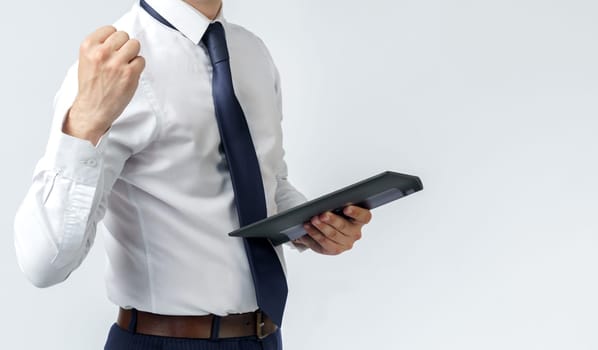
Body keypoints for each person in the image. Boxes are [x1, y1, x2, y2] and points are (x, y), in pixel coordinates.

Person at [13, 0, 372, 349]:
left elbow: (269, 179)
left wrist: (314, 226)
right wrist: (85, 122)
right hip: (161, 340)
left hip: (266, 338)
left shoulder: (252, 52)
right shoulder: (112, 63)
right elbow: (43, 264)